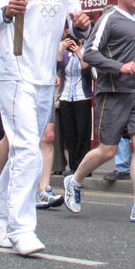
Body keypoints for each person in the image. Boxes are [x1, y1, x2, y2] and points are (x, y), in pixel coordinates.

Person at [0, 0, 90, 256]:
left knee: (22, 152)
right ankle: (22, 229)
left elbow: (73, 28)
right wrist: (6, 12)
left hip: (46, 77)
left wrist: (82, 26)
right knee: (29, 150)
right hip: (14, 73)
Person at [64, 0, 135, 224]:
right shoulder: (109, 18)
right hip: (112, 92)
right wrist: (120, 67)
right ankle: (74, 180)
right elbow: (89, 53)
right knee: (107, 150)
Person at [56, 31, 92, 174]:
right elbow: (56, 66)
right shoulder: (65, 54)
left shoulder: (85, 52)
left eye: (75, 40)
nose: (72, 43)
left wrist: (78, 52)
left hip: (81, 97)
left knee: (83, 133)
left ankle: (85, 167)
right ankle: (73, 166)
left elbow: (87, 68)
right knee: (69, 134)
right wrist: (61, 49)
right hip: (66, 97)